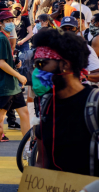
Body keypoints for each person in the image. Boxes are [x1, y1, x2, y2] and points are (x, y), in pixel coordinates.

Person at [32, 29, 96, 175]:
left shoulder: (94, 104)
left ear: (65, 65)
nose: (36, 71)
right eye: (35, 64)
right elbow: (41, 163)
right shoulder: (46, 104)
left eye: (42, 64)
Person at [0, 11, 31, 137]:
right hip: (5, 86)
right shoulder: (2, 38)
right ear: (0, 23)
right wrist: (18, 75)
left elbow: (5, 62)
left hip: (12, 86)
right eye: (7, 21)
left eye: (11, 20)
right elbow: (1, 63)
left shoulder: (5, 37)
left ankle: (27, 145)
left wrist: (15, 64)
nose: (11, 23)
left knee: (24, 113)